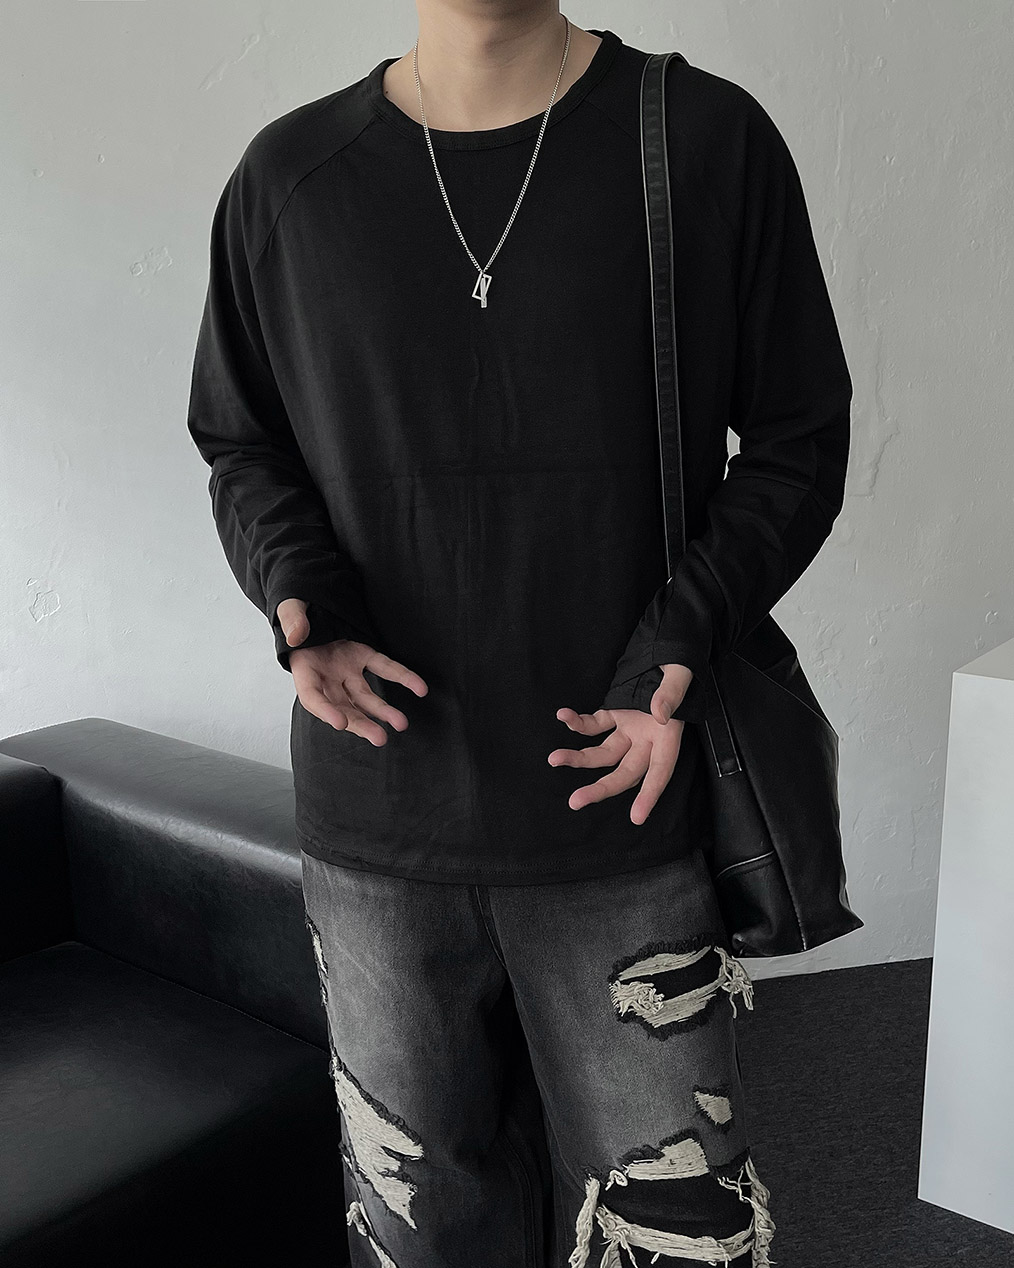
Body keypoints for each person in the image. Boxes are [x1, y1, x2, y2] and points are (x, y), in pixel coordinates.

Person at [186, 3, 851, 1264]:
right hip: (378, 815)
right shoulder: (288, 178)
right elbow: (240, 436)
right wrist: (297, 594)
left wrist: (678, 643)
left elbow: (797, 438)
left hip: (623, 805)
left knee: (673, 1230)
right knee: (421, 1230)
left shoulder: (704, 139)